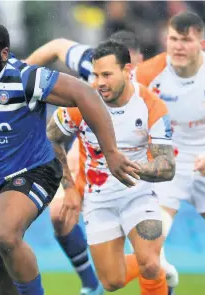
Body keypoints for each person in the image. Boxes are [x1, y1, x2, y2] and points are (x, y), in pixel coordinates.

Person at [0, 21, 139, 295]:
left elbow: (85, 94)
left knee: (4, 235)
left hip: (35, 170)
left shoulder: (26, 79)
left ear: (4, 54)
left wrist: (112, 152)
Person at [25, 30, 179, 294]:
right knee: (112, 282)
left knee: (150, 263)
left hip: (138, 195)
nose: (99, 82)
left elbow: (167, 167)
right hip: (99, 200)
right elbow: (52, 137)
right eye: (95, 75)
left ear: (128, 71)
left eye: (106, 75)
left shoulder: (151, 105)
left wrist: (132, 168)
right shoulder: (82, 100)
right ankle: (157, 271)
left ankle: (155, 269)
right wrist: (70, 188)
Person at [133, 11, 205, 268]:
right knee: (147, 248)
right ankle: (167, 281)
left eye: (186, 40)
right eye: (173, 39)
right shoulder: (146, 74)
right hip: (163, 164)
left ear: (202, 45)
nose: (178, 46)